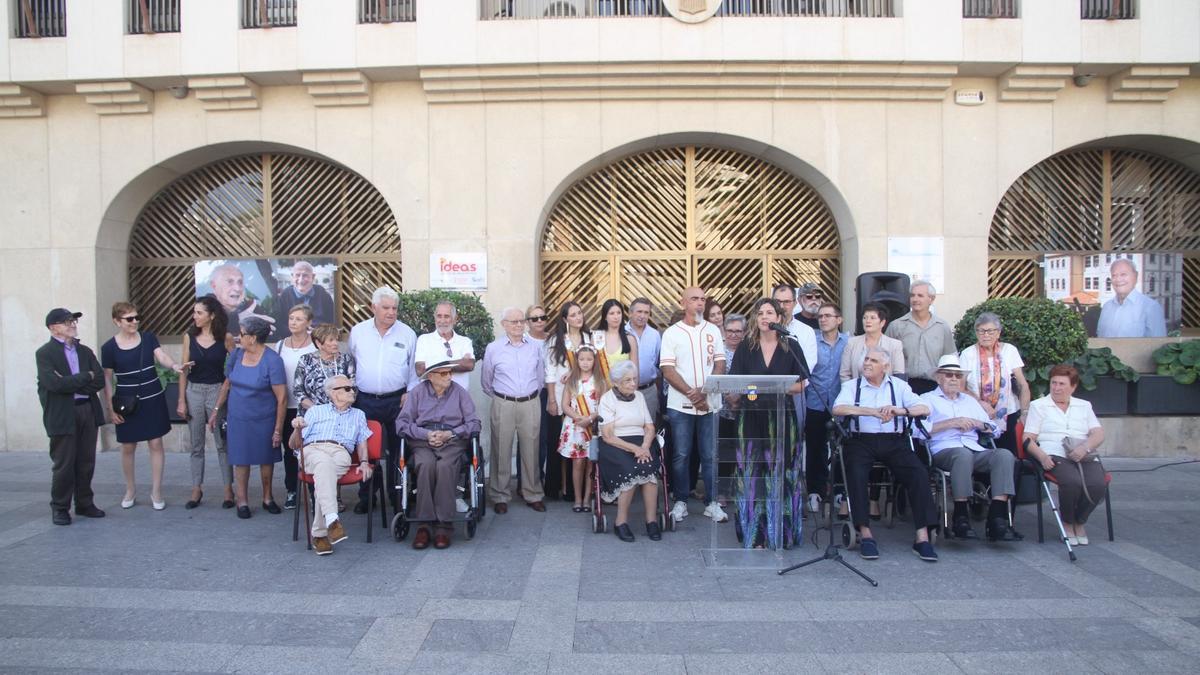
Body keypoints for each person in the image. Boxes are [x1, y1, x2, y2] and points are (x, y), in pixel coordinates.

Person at [832, 348, 937, 562]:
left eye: (873, 360)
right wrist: (871, 411)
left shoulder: (900, 387)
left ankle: (922, 536)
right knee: (856, 472)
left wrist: (901, 411)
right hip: (861, 440)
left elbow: (924, 408)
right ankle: (865, 532)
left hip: (895, 441)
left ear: (886, 367)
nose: (867, 364)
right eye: (866, 360)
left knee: (918, 473)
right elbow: (838, 409)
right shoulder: (852, 386)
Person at [728, 298, 809, 549]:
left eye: (770, 312)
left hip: (782, 418)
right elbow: (734, 382)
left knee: (780, 473)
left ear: (779, 318)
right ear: (755, 318)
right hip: (751, 416)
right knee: (753, 475)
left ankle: (782, 534)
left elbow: (802, 382)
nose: (765, 317)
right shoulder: (746, 347)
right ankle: (755, 535)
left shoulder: (791, 346)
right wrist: (743, 391)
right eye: (760, 312)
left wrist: (778, 387)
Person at [919, 354, 1018, 542]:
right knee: (962, 455)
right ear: (938, 377)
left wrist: (980, 425)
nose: (954, 379)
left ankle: (997, 518)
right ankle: (960, 515)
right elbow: (918, 431)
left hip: (974, 448)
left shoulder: (970, 401)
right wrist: (950, 423)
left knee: (1004, 455)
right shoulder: (926, 399)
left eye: (958, 375)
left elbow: (995, 429)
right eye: (949, 375)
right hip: (944, 449)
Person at [101, 302, 188, 511]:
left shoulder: (148, 338)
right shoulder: (109, 347)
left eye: (136, 317)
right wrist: (110, 408)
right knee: (128, 447)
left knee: (156, 443)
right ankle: (130, 489)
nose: (135, 322)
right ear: (117, 321)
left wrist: (175, 365)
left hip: (152, 397)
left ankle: (156, 491)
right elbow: (107, 379)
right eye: (129, 319)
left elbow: (161, 356)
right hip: (126, 402)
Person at [395, 360, 483, 549]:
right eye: (444, 374)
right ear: (431, 376)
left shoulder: (460, 393)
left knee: (444, 466)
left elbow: (474, 423)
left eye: (450, 373)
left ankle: (444, 525)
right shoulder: (417, 393)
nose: (449, 376)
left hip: (452, 440)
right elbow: (401, 423)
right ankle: (425, 525)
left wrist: (449, 434)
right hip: (423, 440)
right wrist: (426, 434)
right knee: (425, 465)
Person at [661, 286, 728, 524]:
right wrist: (692, 394)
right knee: (680, 454)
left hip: (710, 403)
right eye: (694, 299)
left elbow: (720, 364)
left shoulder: (713, 330)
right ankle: (681, 501)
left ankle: (711, 503)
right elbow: (668, 370)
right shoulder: (671, 333)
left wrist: (705, 392)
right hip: (681, 406)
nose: (700, 303)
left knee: (710, 455)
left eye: (702, 299)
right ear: (683, 303)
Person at [210, 316, 287, 519]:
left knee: (266, 459)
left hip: (264, 418)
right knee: (240, 459)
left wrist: (278, 429)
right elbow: (227, 385)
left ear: (252, 338)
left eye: (242, 334)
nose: (238, 337)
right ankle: (242, 501)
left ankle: (267, 498)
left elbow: (281, 398)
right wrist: (216, 410)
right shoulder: (236, 355)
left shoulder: (273, 361)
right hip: (238, 418)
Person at [348, 286, 416, 514]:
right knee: (366, 449)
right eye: (386, 307)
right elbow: (353, 363)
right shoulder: (358, 332)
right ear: (373, 307)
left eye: (395, 308)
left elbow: (415, 369)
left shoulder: (407, 333)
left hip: (397, 400)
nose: (391, 312)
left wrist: (411, 391)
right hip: (366, 400)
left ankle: (397, 497)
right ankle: (367, 497)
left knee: (398, 451)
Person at [1022, 364, 1107, 546]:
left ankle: (1080, 520)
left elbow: (1098, 433)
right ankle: (1068, 522)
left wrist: (1085, 447)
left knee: (1098, 483)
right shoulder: (1039, 406)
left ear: (1073, 387)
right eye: (1054, 383)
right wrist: (1042, 457)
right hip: (1054, 452)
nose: (1057, 388)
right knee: (1071, 482)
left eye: (1062, 384)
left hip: (1083, 451)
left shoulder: (1084, 406)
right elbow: (1027, 439)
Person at [288, 375, 373, 556]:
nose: (353, 392)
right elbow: (294, 445)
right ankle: (329, 523)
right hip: (313, 448)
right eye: (348, 388)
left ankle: (325, 528)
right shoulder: (315, 412)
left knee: (324, 474)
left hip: (341, 452)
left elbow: (362, 442)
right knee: (324, 465)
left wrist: (365, 462)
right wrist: (296, 429)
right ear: (333, 393)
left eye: (353, 388)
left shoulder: (359, 415)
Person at [36, 308, 106, 526]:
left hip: (86, 409)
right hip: (62, 414)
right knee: (64, 464)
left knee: (86, 461)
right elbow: (54, 384)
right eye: (67, 321)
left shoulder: (85, 351)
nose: (73, 324)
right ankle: (60, 507)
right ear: (53, 327)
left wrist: (73, 381)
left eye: (73, 320)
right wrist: (85, 376)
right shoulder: (45, 353)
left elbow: (99, 381)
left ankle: (84, 503)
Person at [481, 307, 545, 515]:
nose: (519, 325)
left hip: (530, 402)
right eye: (514, 322)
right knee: (501, 448)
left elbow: (541, 377)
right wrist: (503, 397)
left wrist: (530, 395)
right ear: (504, 324)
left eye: (521, 321)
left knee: (531, 449)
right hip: (503, 402)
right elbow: (486, 381)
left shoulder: (535, 347)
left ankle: (532, 493)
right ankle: (500, 495)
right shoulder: (493, 348)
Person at [179, 296, 236, 510]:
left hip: (216, 390)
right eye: (194, 312)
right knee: (196, 444)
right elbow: (184, 369)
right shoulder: (189, 337)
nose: (195, 316)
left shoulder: (225, 338)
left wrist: (229, 385)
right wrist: (181, 400)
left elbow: (236, 361)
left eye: (199, 313)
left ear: (211, 315)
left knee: (222, 443)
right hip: (194, 390)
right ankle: (196, 488)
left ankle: (228, 488)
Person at [597, 360, 662, 543]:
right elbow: (608, 436)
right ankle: (621, 522)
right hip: (615, 444)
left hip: (641, 442)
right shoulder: (607, 399)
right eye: (628, 380)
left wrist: (644, 447)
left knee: (649, 471)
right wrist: (634, 449)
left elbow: (649, 427)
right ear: (616, 382)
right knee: (630, 471)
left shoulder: (639, 397)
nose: (633, 384)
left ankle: (652, 521)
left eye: (634, 379)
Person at [958, 312, 1030, 455]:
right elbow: (961, 388)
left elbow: (1022, 384)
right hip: (979, 414)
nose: (986, 335)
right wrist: (981, 403)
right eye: (981, 331)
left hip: (1008, 413)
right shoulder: (968, 354)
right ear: (976, 333)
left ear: (998, 333)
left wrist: (1025, 412)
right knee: (984, 455)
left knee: (1010, 454)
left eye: (990, 331)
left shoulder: (1009, 350)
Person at [544, 301, 592, 502]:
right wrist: (552, 400)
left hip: (585, 399)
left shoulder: (589, 338)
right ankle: (559, 487)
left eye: (580, 313)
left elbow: (592, 363)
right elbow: (551, 372)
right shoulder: (556, 340)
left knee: (581, 444)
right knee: (561, 444)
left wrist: (574, 371)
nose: (578, 317)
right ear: (565, 319)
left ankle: (577, 490)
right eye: (573, 315)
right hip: (562, 397)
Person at [803, 302, 848, 514]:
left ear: (838, 320)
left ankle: (839, 490)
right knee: (815, 447)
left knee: (841, 448)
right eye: (820, 316)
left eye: (828, 316)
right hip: (815, 400)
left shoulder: (849, 342)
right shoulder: (811, 340)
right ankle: (815, 490)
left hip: (841, 403)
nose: (823, 319)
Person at [274, 305, 316, 510]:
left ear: (308, 323)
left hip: (308, 407)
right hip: (286, 405)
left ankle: (313, 490)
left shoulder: (315, 345)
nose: (293, 322)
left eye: (299, 319)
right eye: (291, 318)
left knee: (309, 448)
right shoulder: (281, 345)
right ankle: (292, 490)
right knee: (289, 449)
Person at [886, 281, 957, 395]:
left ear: (931, 299)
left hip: (935, 387)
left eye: (920, 295)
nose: (915, 299)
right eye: (912, 295)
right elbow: (885, 357)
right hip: (904, 386)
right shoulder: (897, 326)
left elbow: (950, 357)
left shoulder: (942, 327)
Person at [559, 344, 605, 513]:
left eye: (589, 359)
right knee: (577, 463)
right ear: (577, 361)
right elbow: (564, 405)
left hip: (592, 427)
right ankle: (577, 498)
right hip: (575, 426)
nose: (585, 363)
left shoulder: (599, 381)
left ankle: (587, 498)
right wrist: (578, 418)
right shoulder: (572, 380)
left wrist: (590, 418)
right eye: (582, 359)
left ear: (594, 361)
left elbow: (604, 406)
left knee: (590, 464)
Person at [1097, 258, 1167, 338]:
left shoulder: (1151, 307)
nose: (1118, 279)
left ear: (1135, 276)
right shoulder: (1106, 307)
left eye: (1123, 274)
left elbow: (1158, 345)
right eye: (1114, 275)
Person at [415, 300, 475, 390]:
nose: (442, 321)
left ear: (455, 319)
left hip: (458, 398)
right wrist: (457, 363)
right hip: (432, 398)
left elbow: (469, 364)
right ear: (435, 318)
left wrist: (434, 365)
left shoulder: (465, 342)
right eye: (439, 316)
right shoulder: (424, 340)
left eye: (446, 316)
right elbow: (420, 370)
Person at [840, 302, 906, 381]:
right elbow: (844, 374)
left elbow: (899, 375)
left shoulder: (895, 345)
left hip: (886, 391)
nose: (867, 321)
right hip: (856, 391)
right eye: (865, 317)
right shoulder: (852, 343)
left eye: (872, 318)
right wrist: (852, 391)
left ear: (882, 322)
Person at [271, 261, 335, 339]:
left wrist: (318, 332)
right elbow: (280, 324)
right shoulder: (285, 296)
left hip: (319, 340)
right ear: (292, 276)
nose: (301, 280)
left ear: (313, 277)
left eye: (305, 275)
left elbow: (331, 321)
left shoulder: (323, 294)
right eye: (297, 275)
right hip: (293, 341)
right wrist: (299, 333)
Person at [208, 263, 273, 336]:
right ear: (214, 285)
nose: (237, 288)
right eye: (230, 282)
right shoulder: (204, 306)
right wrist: (240, 320)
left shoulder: (250, 307)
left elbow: (270, 332)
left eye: (240, 282)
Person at [626, 297, 661, 422]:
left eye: (646, 312)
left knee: (648, 429)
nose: (642, 316)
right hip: (624, 391)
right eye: (639, 312)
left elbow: (657, 361)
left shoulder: (655, 335)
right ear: (630, 313)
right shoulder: (621, 333)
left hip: (648, 391)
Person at [593, 298, 637, 382]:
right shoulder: (597, 337)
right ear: (605, 317)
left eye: (619, 313)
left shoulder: (630, 339)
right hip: (601, 388)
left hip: (623, 390)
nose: (616, 317)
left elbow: (635, 370)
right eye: (612, 313)